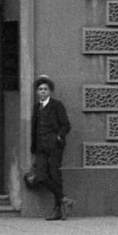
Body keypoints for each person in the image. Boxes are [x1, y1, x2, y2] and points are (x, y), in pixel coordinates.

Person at [28, 74, 72, 221]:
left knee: (55, 176)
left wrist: (59, 136)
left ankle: (57, 210)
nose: (43, 91)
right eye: (40, 89)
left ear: (50, 91)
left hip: (54, 147)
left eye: (45, 89)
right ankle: (64, 199)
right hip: (40, 147)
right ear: (37, 92)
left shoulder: (57, 105)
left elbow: (66, 125)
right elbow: (34, 128)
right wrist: (33, 147)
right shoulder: (36, 107)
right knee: (40, 176)